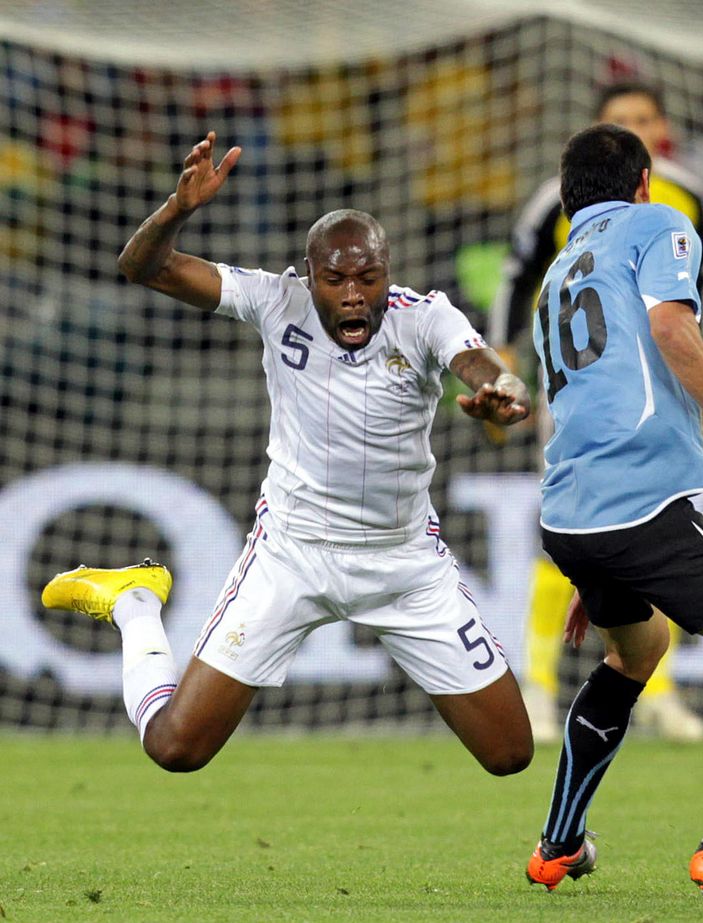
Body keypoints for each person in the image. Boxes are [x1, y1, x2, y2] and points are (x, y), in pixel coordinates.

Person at [41, 131, 534, 785]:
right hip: (292, 555)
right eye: (335, 279)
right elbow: (144, 267)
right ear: (310, 276)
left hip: (404, 564)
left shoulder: (426, 317)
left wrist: (501, 391)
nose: (353, 294)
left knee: (511, 754)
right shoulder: (277, 301)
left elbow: (484, 366)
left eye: (368, 277)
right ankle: (135, 602)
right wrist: (176, 210)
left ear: (389, 272)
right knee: (174, 748)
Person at [522, 124, 703, 900]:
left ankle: (558, 844)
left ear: (567, 200)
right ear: (645, 182)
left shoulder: (556, 274)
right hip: (640, 501)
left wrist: (596, 568)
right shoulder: (659, 223)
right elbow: (669, 323)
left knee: (637, 649)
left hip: (572, 514)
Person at [490, 82, 703, 743]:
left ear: (662, 127)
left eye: (646, 116)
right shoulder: (566, 196)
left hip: (664, 391)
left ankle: (657, 690)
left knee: (661, 527)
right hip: (584, 393)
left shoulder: (687, 194)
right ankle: (538, 684)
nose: (636, 126)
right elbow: (516, 275)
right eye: (622, 119)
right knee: (566, 527)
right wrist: (506, 360)